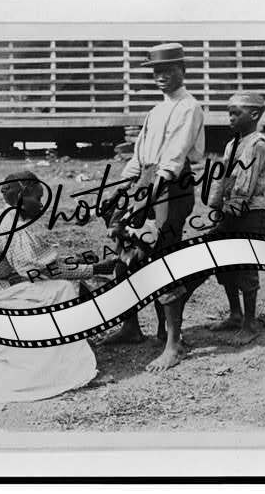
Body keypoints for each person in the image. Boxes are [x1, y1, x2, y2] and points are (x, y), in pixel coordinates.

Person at [0, 171, 116, 403]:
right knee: (62, 290)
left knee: (47, 289)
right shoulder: (13, 226)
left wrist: (79, 263)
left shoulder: (4, 215)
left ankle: (71, 348)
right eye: (37, 197)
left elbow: (35, 263)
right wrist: (94, 269)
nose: (41, 204)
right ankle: (69, 368)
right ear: (22, 195)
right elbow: (48, 269)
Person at [101, 42, 205, 372]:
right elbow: (139, 157)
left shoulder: (189, 107)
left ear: (182, 71)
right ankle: (131, 327)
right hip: (147, 181)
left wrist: (146, 197)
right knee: (125, 252)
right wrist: (121, 190)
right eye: (157, 71)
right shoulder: (155, 111)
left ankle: (173, 343)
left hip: (170, 186)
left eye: (168, 70)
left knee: (161, 257)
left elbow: (174, 158)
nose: (161, 76)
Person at [205, 92, 265, 345]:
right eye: (229, 114)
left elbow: (245, 186)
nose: (231, 118)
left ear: (254, 114)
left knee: (246, 266)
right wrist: (216, 205)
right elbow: (223, 177)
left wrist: (228, 211)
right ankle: (235, 314)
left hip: (250, 213)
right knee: (225, 264)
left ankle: (250, 323)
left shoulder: (258, 145)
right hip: (230, 210)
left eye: (236, 113)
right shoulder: (232, 144)